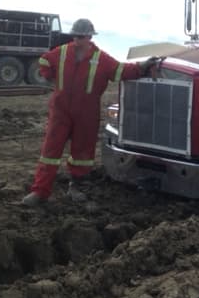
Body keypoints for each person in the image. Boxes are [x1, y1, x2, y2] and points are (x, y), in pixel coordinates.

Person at [22, 18, 160, 207]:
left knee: (82, 154)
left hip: (86, 114)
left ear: (89, 37)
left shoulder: (101, 59)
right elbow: (44, 60)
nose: (77, 40)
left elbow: (121, 71)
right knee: (50, 152)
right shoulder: (61, 53)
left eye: (82, 37)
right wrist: (50, 77)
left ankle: (76, 187)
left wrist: (142, 67)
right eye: (75, 36)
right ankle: (39, 192)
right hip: (60, 111)